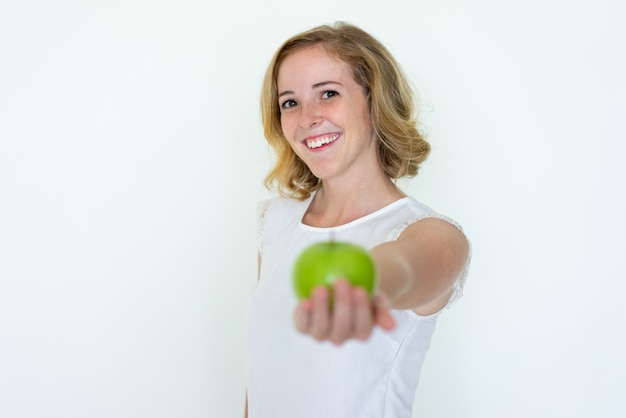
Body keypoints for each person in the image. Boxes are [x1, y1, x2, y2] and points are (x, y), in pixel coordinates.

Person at [245, 21, 471, 418]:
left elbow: (402, 267)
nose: (307, 118)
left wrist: (365, 282)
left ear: (374, 100)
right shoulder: (276, 222)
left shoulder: (434, 235)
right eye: (290, 102)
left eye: (328, 93)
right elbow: (265, 380)